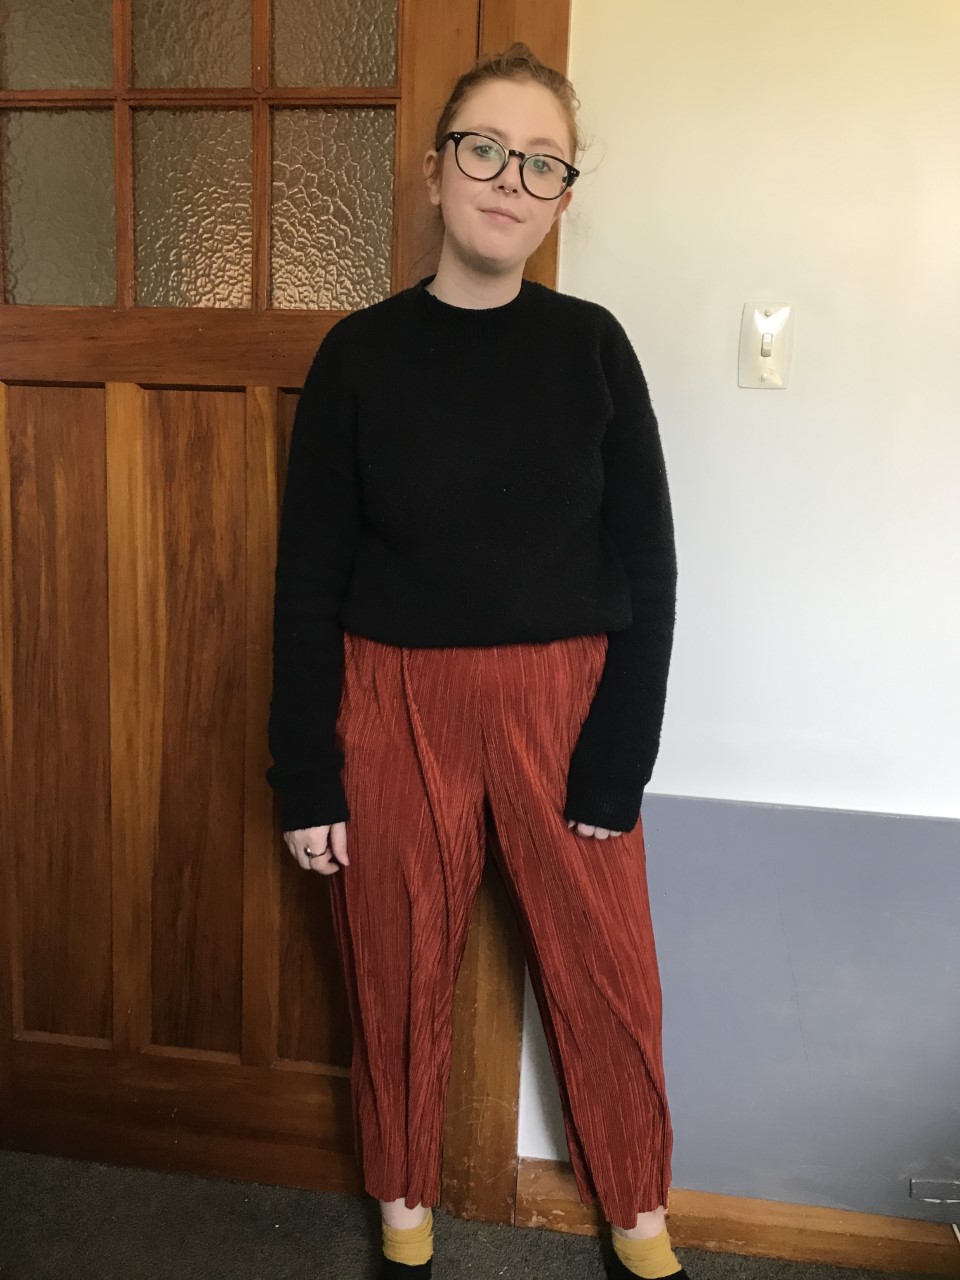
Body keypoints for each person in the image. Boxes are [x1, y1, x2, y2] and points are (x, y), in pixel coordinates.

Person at [265, 42, 686, 1280]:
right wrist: (308, 773)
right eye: (487, 148)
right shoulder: (358, 356)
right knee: (395, 972)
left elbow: (651, 569)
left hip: (567, 705)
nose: (511, 178)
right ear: (438, 170)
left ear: (563, 196)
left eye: (542, 161)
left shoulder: (594, 347)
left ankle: (640, 1217)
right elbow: (307, 578)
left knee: (608, 978)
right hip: (392, 701)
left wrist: (620, 756)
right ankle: (404, 1213)